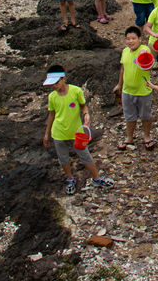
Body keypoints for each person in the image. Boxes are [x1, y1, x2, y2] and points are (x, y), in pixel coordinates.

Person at [42, 65, 113, 194]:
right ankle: (70, 178)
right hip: (59, 133)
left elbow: (83, 106)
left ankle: (96, 178)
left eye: (56, 82)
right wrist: (47, 134)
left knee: (85, 155)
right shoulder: (52, 97)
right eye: (51, 84)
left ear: (64, 79)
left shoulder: (76, 91)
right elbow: (51, 115)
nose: (53, 86)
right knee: (63, 158)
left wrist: (86, 114)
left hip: (76, 132)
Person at [114, 26, 156, 150]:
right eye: (128, 39)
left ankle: (147, 137)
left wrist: (144, 55)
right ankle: (129, 138)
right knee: (129, 116)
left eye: (133, 38)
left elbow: (147, 57)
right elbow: (122, 69)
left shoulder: (144, 49)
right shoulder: (125, 52)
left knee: (145, 116)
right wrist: (119, 85)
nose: (130, 41)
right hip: (127, 91)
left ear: (139, 39)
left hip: (143, 91)